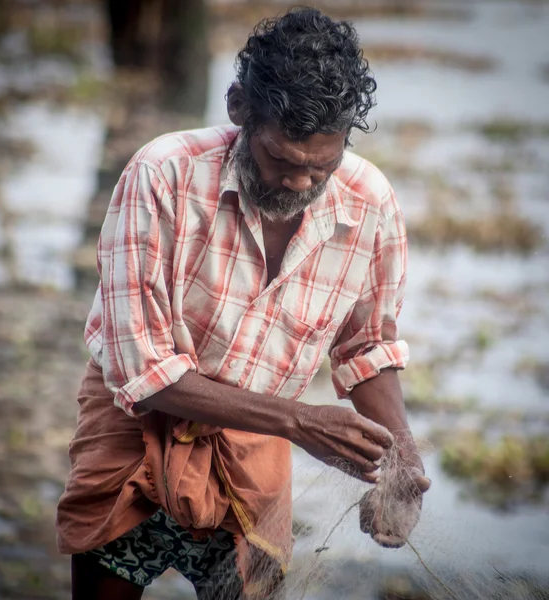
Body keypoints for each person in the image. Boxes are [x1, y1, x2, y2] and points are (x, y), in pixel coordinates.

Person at [56, 7, 431, 600]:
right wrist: (298, 422)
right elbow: (140, 371)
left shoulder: (370, 204)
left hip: (254, 447)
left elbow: (368, 348)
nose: (300, 184)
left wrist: (402, 461)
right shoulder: (163, 176)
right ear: (238, 110)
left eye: (322, 166)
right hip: (135, 430)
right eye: (280, 159)